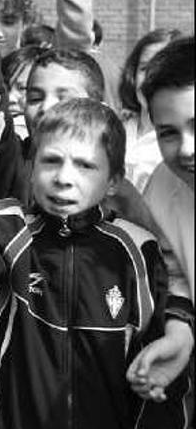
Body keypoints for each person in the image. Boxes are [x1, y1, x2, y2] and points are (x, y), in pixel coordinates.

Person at [0, 93, 193, 429]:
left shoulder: (138, 248)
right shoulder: (4, 228)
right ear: (30, 165)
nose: (64, 178)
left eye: (85, 165)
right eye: (51, 161)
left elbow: (159, 366)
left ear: (114, 180)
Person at [132, 37, 195, 425]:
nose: (186, 149)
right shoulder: (161, 185)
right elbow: (175, 276)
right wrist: (181, 334)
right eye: (168, 132)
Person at [117, 28, 183, 191]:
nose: (150, 80)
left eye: (163, 70)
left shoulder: (185, 141)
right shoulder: (116, 126)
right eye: (144, 68)